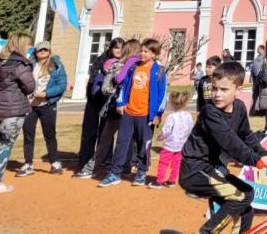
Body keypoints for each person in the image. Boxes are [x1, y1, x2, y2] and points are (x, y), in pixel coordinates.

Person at [180, 61, 267, 234]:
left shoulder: (239, 107)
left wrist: (264, 154)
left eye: (224, 90)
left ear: (238, 90)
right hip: (196, 170)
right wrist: (256, 159)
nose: (217, 94)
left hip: (214, 170)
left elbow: (246, 136)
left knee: (246, 210)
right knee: (243, 196)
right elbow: (231, 143)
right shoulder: (210, 112)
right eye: (214, 88)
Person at [98, 37, 167, 187]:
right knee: (122, 143)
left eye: (146, 51)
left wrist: (158, 114)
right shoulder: (133, 67)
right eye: (141, 50)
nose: (141, 53)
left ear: (154, 54)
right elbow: (124, 87)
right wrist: (121, 103)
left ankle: (141, 171)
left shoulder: (159, 71)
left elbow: (162, 95)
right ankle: (115, 172)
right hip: (129, 112)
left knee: (144, 144)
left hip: (146, 115)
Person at [74, 38, 140, 179]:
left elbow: (115, 82)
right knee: (114, 138)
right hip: (116, 107)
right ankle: (103, 167)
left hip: (124, 108)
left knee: (114, 139)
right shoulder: (117, 64)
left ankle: (118, 167)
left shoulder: (132, 66)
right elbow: (110, 84)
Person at [0, 32, 35, 193]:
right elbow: (30, 87)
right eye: (28, 45)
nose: (30, 48)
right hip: (12, 111)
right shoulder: (21, 65)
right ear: (21, 45)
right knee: (4, 146)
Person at [16, 41, 67, 177]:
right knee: (28, 135)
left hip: (47, 105)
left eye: (45, 49)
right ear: (36, 52)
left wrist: (47, 94)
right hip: (29, 105)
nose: (43, 52)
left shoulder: (57, 66)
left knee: (49, 134)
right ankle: (28, 164)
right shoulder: (28, 65)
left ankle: (55, 163)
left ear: (50, 51)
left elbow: (62, 85)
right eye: (40, 50)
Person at [149, 89, 194, 189]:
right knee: (176, 163)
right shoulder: (188, 115)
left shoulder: (171, 117)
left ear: (172, 103)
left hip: (170, 145)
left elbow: (166, 131)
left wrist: (159, 137)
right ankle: (172, 181)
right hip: (182, 145)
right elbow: (191, 129)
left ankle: (159, 181)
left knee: (163, 163)